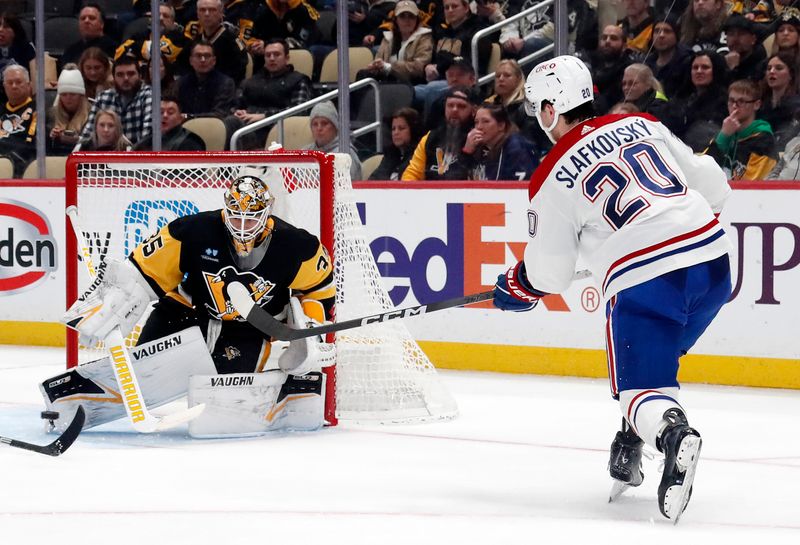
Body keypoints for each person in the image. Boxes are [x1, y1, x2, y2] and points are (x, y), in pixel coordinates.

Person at [493, 55, 733, 522]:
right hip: (714, 263)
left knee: (639, 389)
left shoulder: (549, 174)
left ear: (549, 109)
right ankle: (631, 438)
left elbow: (550, 275)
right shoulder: (643, 125)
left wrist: (518, 286)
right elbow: (714, 186)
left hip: (647, 281)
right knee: (656, 363)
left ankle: (671, 434)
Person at [43, 174, 336, 436]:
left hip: (249, 328)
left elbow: (319, 289)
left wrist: (311, 330)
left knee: (224, 405)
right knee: (144, 370)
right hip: (187, 310)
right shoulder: (193, 230)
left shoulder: (299, 247)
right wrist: (118, 296)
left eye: (250, 218)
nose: (242, 226)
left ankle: (288, 391)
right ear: (225, 209)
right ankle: (75, 399)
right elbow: (144, 272)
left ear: (266, 213)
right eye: (235, 217)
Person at [226, 39, 313, 149]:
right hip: (247, 128)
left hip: (278, 131)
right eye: (268, 55)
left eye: (276, 54)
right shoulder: (251, 81)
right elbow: (234, 106)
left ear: (287, 58)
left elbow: (299, 111)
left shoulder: (298, 80)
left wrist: (265, 116)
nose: (272, 58)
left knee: (232, 124)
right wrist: (238, 111)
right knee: (231, 120)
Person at [704, 79, 778, 179]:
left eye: (741, 101)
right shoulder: (725, 131)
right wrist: (723, 137)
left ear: (756, 104)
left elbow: (751, 183)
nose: (734, 106)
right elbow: (703, 170)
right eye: (731, 101)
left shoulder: (763, 140)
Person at [402, 85, 477, 180]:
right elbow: (412, 173)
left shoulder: (477, 138)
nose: (454, 110)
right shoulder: (430, 137)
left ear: (473, 110)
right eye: (450, 105)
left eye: (461, 106)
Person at [79, 55, 154, 148]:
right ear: (113, 77)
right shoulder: (103, 98)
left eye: (131, 74)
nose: (126, 78)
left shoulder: (150, 95)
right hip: (106, 156)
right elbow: (87, 135)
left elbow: (147, 137)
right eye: (120, 75)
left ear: (140, 75)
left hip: (139, 157)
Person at [356, 1, 433, 85]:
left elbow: (419, 67)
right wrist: (374, 66)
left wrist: (389, 67)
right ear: (396, 20)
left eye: (411, 16)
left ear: (417, 20)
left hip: (411, 83)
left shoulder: (424, 37)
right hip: (387, 82)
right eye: (402, 16)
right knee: (362, 75)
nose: (407, 20)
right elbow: (379, 61)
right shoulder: (388, 38)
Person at [671, 49, 730, 151]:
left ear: (716, 70)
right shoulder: (681, 97)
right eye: (695, 67)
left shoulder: (724, 102)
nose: (699, 71)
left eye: (705, 67)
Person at [462, 103, 539, 181]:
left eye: (485, 121)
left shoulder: (517, 148)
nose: (479, 127)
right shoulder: (476, 146)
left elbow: (517, 189)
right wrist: (466, 152)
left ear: (501, 125)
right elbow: (452, 180)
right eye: (476, 122)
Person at [183, 0, 249, 83]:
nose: (207, 14)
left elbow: (238, 70)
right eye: (202, 10)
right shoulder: (195, 41)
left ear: (221, 13)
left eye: (212, 10)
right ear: (197, 14)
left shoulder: (232, 41)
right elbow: (182, 66)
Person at [303, 101, 363, 181]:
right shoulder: (305, 152)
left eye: (324, 123)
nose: (319, 128)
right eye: (315, 124)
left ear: (335, 127)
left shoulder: (345, 154)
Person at [177, 40, 237, 119]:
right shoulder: (180, 83)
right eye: (198, 56)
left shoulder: (226, 83)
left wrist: (188, 117)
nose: (203, 60)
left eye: (207, 56)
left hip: (212, 128)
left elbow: (219, 114)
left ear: (214, 61)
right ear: (191, 61)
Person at [0, 64, 36, 177]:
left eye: (19, 82)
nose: (14, 86)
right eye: (10, 83)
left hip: (21, 166)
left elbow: (31, 145)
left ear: (29, 85)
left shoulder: (38, 109)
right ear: (4, 86)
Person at [369, 107, 424, 180]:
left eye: (401, 128)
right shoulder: (391, 153)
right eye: (393, 129)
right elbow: (374, 179)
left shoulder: (420, 155)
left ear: (413, 130)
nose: (396, 133)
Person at [134, 96, 207, 151]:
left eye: (170, 112)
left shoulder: (191, 143)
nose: (165, 116)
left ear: (180, 118)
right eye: (161, 112)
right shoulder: (147, 141)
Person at [759, 51, 800, 148]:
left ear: (791, 74)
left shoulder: (796, 107)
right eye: (769, 68)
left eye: (779, 68)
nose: (772, 71)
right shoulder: (760, 104)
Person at [48, 65, 90, 155]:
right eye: (64, 94)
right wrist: (51, 137)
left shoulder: (93, 115)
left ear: (81, 95)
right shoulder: (51, 115)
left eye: (73, 94)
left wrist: (78, 140)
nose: (68, 98)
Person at [60, 3, 118, 69]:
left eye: (92, 18)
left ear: (102, 24)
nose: (86, 21)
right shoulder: (70, 51)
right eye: (83, 18)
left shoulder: (113, 48)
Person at [0, 12, 36, 103]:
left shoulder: (27, 48)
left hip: (21, 98)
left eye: (6, 27)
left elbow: (35, 80)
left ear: (15, 31)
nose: (0, 30)